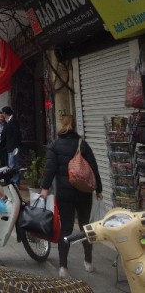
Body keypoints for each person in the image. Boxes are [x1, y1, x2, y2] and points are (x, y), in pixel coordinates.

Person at [40, 114, 102, 279]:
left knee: (66, 228)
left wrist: (45, 189)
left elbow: (50, 169)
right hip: (83, 192)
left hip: (64, 193)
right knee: (85, 226)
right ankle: (88, 262)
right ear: (75, 127)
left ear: (62, 125)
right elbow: (94, 168)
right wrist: (99, 189)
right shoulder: (83, 144)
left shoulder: (55, 145)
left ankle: (63, 267)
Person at [2, 106, 21, 184]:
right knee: (13, 164)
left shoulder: (13, 121)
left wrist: (14, 146)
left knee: (13, 165)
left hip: (13, 147)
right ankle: (14, 181)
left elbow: (16, 134)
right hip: (10, 147)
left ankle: (15, 181)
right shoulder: (8, 121)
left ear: (5, 113)